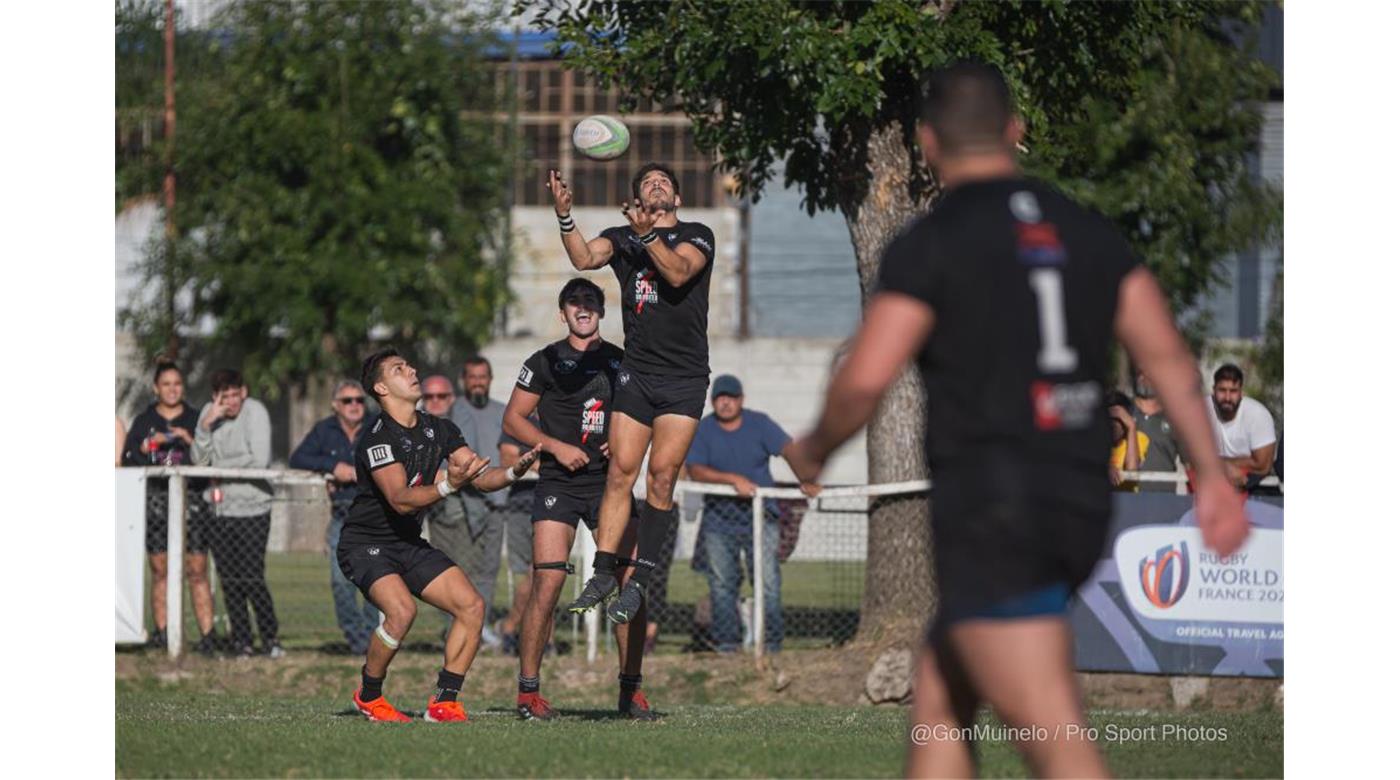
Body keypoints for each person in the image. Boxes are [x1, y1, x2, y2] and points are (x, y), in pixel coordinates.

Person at [785, 62, 1249, 778]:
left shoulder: (932, 242)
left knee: (1053, 737)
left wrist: (813, 448)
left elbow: (868, 377)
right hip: (1079, 497)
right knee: (940, 699)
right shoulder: (1085, 231)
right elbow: (1168, 357)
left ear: (927, 144)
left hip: (997, 506)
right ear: (1016, 131)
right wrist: (1212, 479)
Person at [546, 162, 718, 625]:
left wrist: (647, 238)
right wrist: (565, 216)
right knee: (621, 470)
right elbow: (584, 258)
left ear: (676, 200)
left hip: (684, 378)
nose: (657, 184)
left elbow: (679, 273)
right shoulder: (622, 237)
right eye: (648, 182)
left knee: (662, 476)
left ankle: (639, 578)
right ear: (637, 199)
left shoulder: (697, 234)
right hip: (638, 374)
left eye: (665, 182)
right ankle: (603, 571)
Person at [339, 348, 539, 723]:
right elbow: (400, 499)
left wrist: (514, 472)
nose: (411, 370)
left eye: (409, 365)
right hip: (365, 544)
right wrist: (449, 485)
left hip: (407, 543)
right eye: (400, 369)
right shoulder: (376, 437)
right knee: (401, 611)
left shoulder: (439, 428)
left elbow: (479, 475)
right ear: (381, 388)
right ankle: (369, 695)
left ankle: (445, 701)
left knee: (472, 606)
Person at [503, 278, 659, 721]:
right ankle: (528, 692)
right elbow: (513, 418)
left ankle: (631, 691)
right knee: (547, 582)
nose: (583, 308)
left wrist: (622, 440)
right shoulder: (545, 360)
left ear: (602, 312)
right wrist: (555, 446)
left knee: (628, 584)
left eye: (590, 301)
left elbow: (645, 413)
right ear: (563, 312)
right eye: (575, 302)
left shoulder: (620, 361)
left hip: (609, 485)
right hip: (557, 483)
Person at [685, 374, 821, 654]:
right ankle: (727, 646)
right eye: (720, 398)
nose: (726, 403)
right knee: (722, 585)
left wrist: (805, 478)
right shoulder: (703, 430)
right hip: (718, 521)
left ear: (741, 400)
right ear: (713, 402)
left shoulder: (760, 424)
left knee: (768, 583)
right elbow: (695, 470)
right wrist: (732, 480)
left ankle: (771, 645)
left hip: (761, 518)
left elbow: (789, 450)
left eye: (731, 397)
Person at [121, 361, 218, 656]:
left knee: (197, 570)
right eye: (166, 384)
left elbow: (210, 457)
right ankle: (161, 633)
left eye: (177, 383)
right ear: (155, 388)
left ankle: (208, 636)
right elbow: (128, 462)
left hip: (193, 505)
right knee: (160, 570)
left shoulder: (195, 417)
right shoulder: (143, 420)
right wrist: (147, 448)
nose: (172, 389)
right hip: (156, 505)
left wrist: (189, 440)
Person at [193, 368, 282, 658]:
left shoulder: (256, 412)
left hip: (254, 507)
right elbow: (198, 460)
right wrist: (206, 427)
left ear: (244, 391)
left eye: (236, 394)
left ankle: (270, 638)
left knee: (251, 575)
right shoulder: (209, 414)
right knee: (229, 579)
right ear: (216, 397)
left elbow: (259, 459)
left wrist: (220, 468)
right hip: (219, 510)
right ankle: (241, 640)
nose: (231, 401)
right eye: (225, 396)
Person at [289, 380, 380, 654]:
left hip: (375, 517)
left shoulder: (377, 426)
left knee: (376, 582)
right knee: (341, 580)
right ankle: (356, 639)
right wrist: (332, 467)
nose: (354, 406)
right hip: (342, 516)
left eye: (359, 400)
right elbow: (298, 458)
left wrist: (357, 471)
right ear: (335, 405)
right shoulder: (324, 430)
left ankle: (374, 640)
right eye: (347, 401)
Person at [446, 357, 515, 644]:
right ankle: (458, 625)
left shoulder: (502, 412)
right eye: (472, 377)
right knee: (463, 569)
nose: (477, 382)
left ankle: (480, 626)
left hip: (498, 503)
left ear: (490, 379)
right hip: (466, 503)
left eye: (482, 376)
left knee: (489, 570)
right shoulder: (456, 410)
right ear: (464, 380)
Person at [495, 419, 539, 655]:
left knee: (544, 572)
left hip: (557, 505)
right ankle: (517, 629)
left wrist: (528, 459)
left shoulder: (561, 417)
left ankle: (511, 626)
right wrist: (540, 462)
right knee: (534, 574)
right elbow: (508, 460)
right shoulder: (517, 423)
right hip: (522, 506)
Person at [1209, 363, 1278, 490]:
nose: (1227, 397)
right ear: (1213, 391)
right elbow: (1191, 457)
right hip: (1211, 484)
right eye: (1222, 390)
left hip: (1255, 485)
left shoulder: (1258, 415)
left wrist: (1218, 463)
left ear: (1241, 393)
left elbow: (1262, 465)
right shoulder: (1202, 410)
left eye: (1233, 391)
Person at [1130, 369, 1185, 492]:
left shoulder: (1176, 417)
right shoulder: (1122, 411)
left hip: (1163, 502)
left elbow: (1191, 465)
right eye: (1141, 372)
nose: (1146, 376)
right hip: (1125, 500)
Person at [1107, 391, 1146, 491]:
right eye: (1110, 419)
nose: (1113, 425)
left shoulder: (1139, 438)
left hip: (1128, 502)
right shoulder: (1097, 438)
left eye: (1119, 419)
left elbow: (1131, 473)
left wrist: (1132, 426)